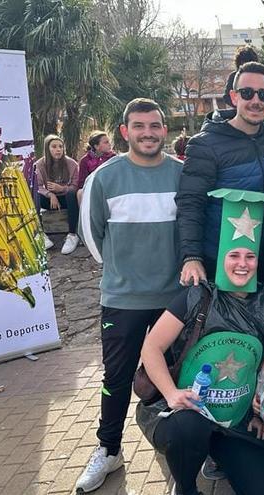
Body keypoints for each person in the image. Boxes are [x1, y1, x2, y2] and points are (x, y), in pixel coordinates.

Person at [135, 189, 264, 495]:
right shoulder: (197, 296)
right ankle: (186, 488)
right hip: (185, 413)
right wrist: (171, 393)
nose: (242, 264)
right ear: (222, 257)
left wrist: (260, 400)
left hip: (234, 419)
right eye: (234, 255)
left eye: (249, 256)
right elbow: (151, 347)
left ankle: (217, 456)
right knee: (188, 429)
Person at [76, 98, 183, 493]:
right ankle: (109, 449)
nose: (148, 133)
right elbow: (92, 235)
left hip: (175, 299)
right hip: (122, 298)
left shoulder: (182, 174)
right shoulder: (104, 178)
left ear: (164, 130)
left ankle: (181, 453)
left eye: (155, 126)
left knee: (176, 374)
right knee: (117, 378)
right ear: (125, 132)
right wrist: (124, 271)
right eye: (139, 126)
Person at [177, 62, 264, 288]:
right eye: (247, 93)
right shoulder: (205, 144)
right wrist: (191, 257)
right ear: (234, 97)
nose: (256, 101)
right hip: (222, 263)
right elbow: (190, 203)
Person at [35, 134, 80, 254]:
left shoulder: (72, 164)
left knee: (71, 193)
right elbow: (38, 186)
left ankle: (72, 235)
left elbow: (75, 186)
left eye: (60, 146)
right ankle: (41, 234)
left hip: (66, 200)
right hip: (49, 201)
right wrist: (50, 194)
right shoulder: (39, 165)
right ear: (47, 149)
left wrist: (61, 189)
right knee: (34, 195)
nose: (58, 149)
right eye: (54, 147)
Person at [76, 130, 115, 204]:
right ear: (96, 146)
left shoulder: (113, 157)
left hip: (111, 186)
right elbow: (82, 183)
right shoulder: (85, 160)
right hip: (92, 188)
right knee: (80, 192)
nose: (110, 144)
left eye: (109, 141)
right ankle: (85, 215)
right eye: (106, 142)